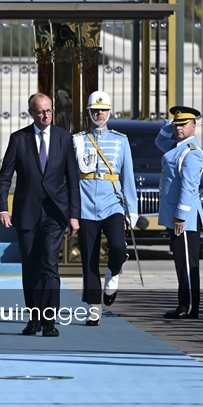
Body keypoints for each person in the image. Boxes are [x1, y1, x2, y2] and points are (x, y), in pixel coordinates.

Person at [0, 93, 80, 337]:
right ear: (31, 113)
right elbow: (5, 177)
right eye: (41, 112)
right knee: (31, 265)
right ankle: (34, 318)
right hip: (27, 212)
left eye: (49, 111)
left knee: (49, 263)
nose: (46, 115)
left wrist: (74, 214)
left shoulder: (64, 138)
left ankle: (49, 320)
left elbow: (73, 180)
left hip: (55, 212)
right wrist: (2, 207)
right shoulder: (19, 139)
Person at [72, 91, 138, 324]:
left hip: (113, 203)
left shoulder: (121, 140)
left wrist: (132, 209)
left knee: (118, 247)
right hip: (86, 204)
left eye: (103, 110)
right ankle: (93, 306)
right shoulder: (78, 140)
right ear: (88, 112)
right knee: (89, 257)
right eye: (95, 110)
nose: (99, 114)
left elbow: (128, 176)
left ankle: (113, 272)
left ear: (109, 112)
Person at [156, 105, 203, 319]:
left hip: (184, 218)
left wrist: (180, 216)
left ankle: (190, 307)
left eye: (183, 124)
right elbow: (159, 141)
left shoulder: (191, 153)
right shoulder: (177, 146)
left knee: (187, 264)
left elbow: (188, 187)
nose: (178, 128)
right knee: (181, 263)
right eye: (177, 124)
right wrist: (170, 124)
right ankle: (184, 305)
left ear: (193, 127)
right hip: (175, 216)